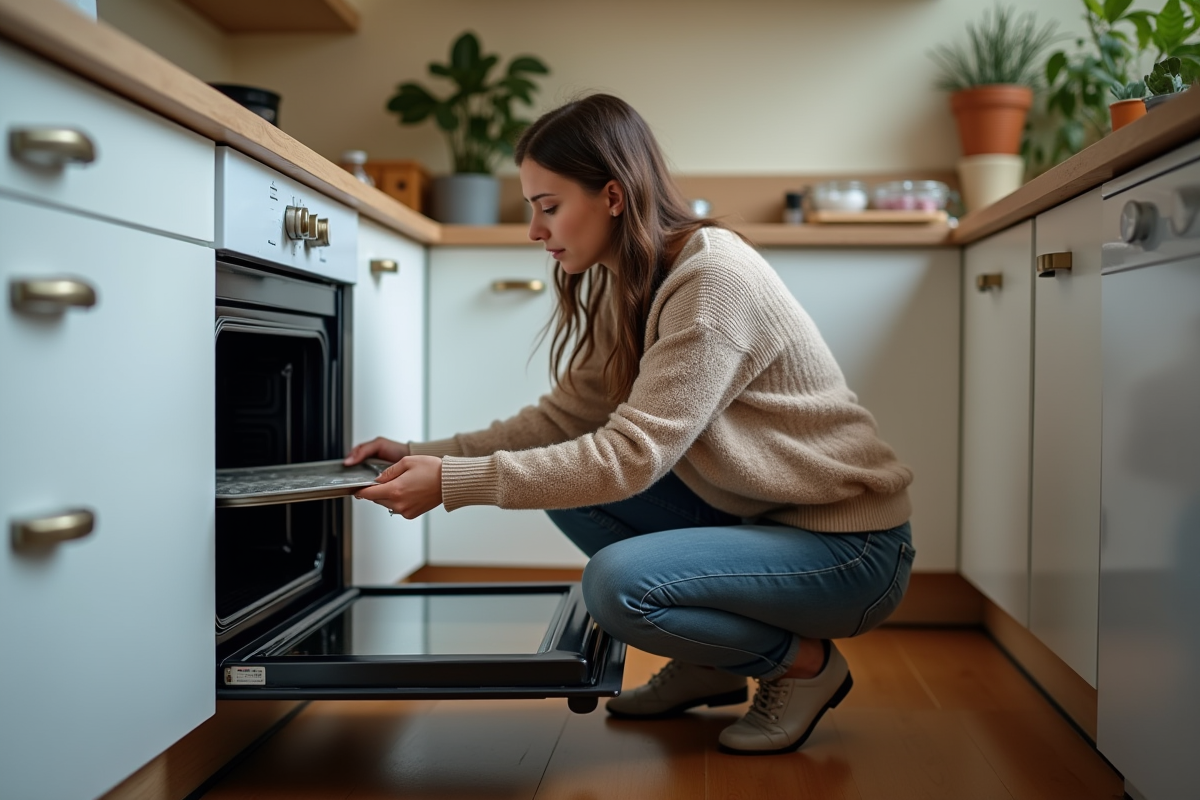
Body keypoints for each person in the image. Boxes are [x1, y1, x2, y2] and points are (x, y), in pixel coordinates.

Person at [344, 93, 915, 755]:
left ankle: (805, 667)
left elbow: (631, 457)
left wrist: (454, 483)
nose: (535, 232)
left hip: (851, 551)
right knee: (570, 494)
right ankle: (714, 657)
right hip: (766, 522)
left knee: (616, 585)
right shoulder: (634, 278)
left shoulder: (711, 280)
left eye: (548, 207)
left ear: (613, 196)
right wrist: (419, 453)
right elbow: (561, 420)